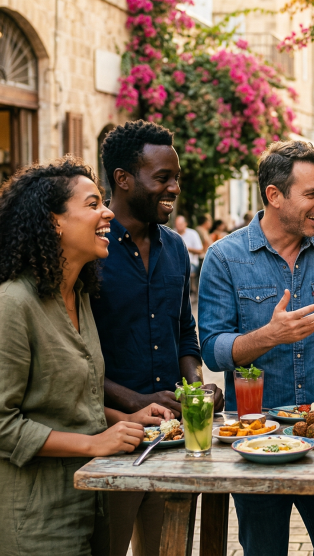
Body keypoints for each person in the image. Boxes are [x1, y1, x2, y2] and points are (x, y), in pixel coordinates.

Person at [0, 158, 172, 555]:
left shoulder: (76, 296)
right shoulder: (12, 305)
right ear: (54, 222)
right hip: (30, 512)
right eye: (93, 203)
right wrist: (95, 445)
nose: (108, 212)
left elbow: (73, 405)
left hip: (86, 499)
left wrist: (124, 421)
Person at [198, 140, 314, 556]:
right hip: (258, 437)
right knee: (264, 550)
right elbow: (212, 349)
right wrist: (269, 336)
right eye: (312, 194)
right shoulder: (224, 257)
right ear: (274, 196)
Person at [93, 121, 224, 556]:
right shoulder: (90, 251)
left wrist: (194, 385)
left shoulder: (174, 248)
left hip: (173, 436)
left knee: (169, 550)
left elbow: (184, 332)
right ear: (123, 179)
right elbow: (76, 359)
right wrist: (135, 402)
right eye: (163, 178)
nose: (174, 187)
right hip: (110, 436)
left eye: (177, 177)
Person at [175, 215, 204, 296]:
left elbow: (200, 250)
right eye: (177, 225)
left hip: (190, 262)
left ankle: (187, 292)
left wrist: (185, 248)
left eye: (180, 224)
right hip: (174, 262)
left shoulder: (192, 234)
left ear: (185, 224)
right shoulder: (172, 233)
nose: (178, 227)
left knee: (183, 270)